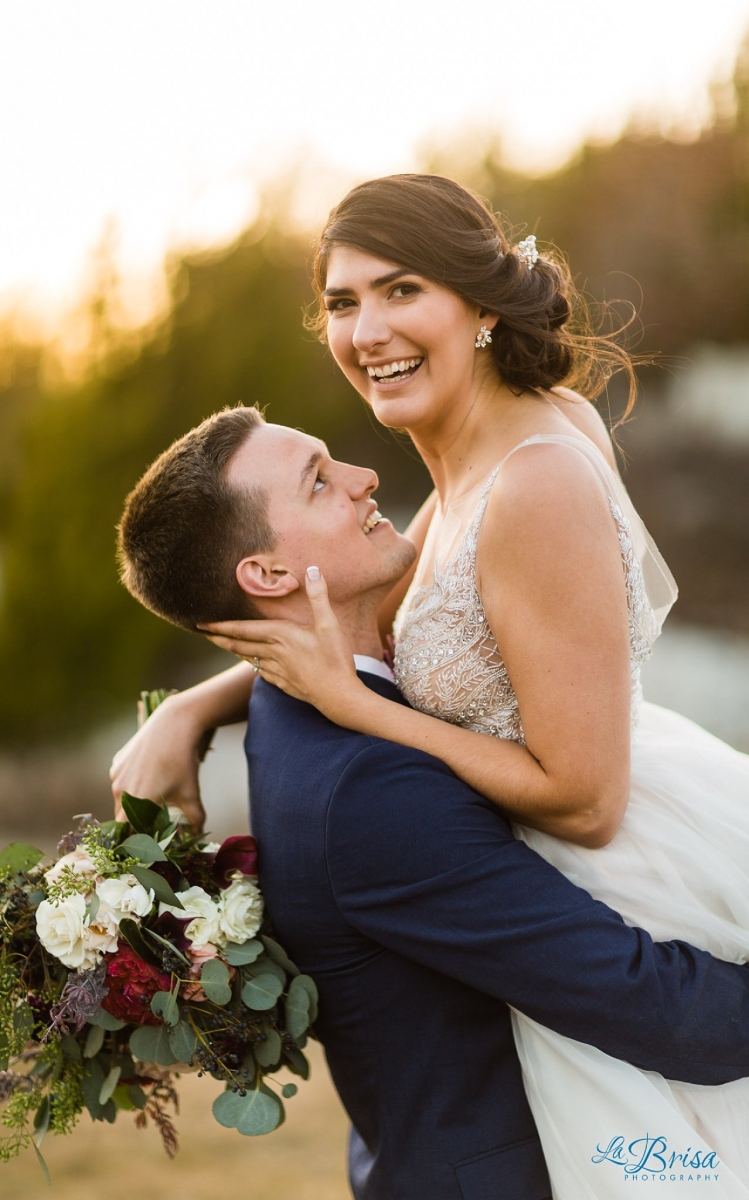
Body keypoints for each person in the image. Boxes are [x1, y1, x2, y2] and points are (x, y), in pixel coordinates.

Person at [111, 176, 749, 1193]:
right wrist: (195, 705)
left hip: (630, 863)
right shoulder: (457, 478)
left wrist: (359, 712)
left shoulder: (531, 479)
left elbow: (584, 803)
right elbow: (375, 617)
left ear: (480, 302)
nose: (367, 329)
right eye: (340, 302)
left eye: (400, 289)